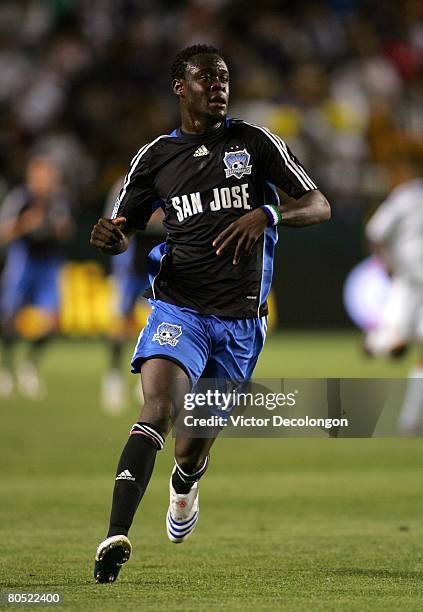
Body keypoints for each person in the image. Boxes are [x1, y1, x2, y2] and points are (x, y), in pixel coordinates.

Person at [90, 44, 330, 583]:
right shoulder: (154, 158)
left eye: (224, 78)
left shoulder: (254, 142)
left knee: (192, 446)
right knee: (157, 410)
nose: (219, 86)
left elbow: (319, 205)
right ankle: (114, 536)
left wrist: (266, 213)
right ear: (181, 87)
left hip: (242, 321)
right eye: (207, 78)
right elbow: (121, 228)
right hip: (180, 308)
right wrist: (111, 237)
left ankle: (185, 483)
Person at [0, 154, 74, 399]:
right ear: (32, 177)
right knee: (9, 316)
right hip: (24, 259)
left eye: (50, 177)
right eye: (42, 177)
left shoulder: (58, 200)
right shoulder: (20, 198)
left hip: (49, 262)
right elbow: (5, 232)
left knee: (53, 321)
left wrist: (58, 228)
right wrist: (25, 225)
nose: (47, 182)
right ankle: (7, 369)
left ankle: (30, 364)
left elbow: (67, 230)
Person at [365, 153, 423, 434]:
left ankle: (411, 422)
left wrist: (387, 263)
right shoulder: (406, 196)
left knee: (401, 343)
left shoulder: (404, 196)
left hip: (408, 278)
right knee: (395, 344)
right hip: (410, 281)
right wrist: (386, 263)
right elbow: (376, 232)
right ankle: (382, 341)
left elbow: (375, 231)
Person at [100, 177, 164, 413]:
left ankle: (147, 380)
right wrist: (143, 218)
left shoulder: (177, 175)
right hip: (129, 263)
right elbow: (111, 223)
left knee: (159, 323)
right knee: (119, 322)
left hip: (161, 260)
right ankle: (113, 376)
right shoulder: (125, 184)